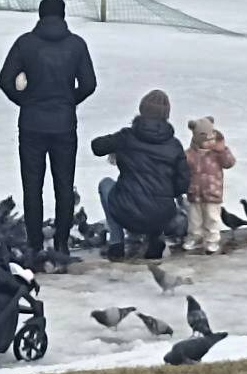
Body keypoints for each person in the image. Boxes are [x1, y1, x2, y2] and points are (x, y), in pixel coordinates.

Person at [0, 0, 97, 262]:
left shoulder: (25, 44)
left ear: (40, 15)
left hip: (31, 124)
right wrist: (68, 101)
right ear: (63, 15)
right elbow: (88, 84)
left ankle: (34, 244)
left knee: (33, 186)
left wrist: (25, 101)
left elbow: (5, 80)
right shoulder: (77, 45)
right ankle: (62, 244)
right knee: (64, 185)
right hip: (64, 125)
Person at [90, 90, 190, 261]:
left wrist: (117, 144)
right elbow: (183, 184)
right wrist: (162, 189)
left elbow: (96, 147)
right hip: (162, 215)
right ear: (166, 114)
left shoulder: (127, 136)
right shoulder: (174, 145)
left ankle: (116, 241)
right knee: (164, 206)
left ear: (142, 109)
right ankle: (154, 237)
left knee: (105, 184)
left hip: (127, 212)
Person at [184, 117, 236, 254]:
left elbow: (229, 163)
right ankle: (196, 237)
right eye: (207, 140)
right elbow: (182, 168)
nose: (211, 142)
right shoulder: (189, 154)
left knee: (212, 218)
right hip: (194, 193)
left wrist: (223, 149)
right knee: (194, 219)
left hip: (213, 193)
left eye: (213, 139)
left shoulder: (217, 154)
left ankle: (212, 239)